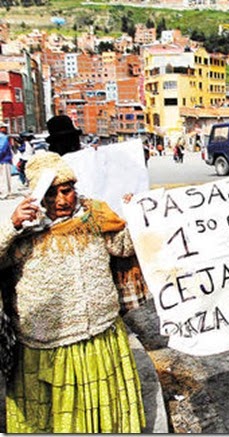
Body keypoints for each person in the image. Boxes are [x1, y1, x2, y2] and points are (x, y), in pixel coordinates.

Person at [0, 151, 148, 432]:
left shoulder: (94, 216)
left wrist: (136, 215)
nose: (61, 200)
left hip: (101, 336)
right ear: (38, 198)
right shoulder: (24, 230)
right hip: (48, 345)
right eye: (51, 195)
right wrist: (13, 225)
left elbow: (125, 247)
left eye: (66, 191)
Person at [0, 122, 12, 199]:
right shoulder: (3, 137)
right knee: (5, 177)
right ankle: (5, 193)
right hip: (4, 159)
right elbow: (2, 149)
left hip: (2, 159)